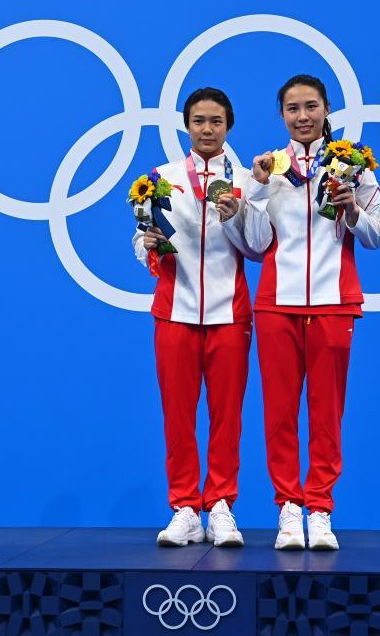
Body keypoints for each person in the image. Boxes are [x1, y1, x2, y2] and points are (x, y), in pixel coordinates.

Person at [245, 75, 380, 550]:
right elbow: (254, 242)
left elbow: (377, 235)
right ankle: (288, 509)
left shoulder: (353, 164)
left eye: (310, 106)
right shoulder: (267, 168)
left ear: (327, 109)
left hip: (333, 301)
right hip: (276, 304)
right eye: (292, 108)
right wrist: (260, 189)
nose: (302, 116)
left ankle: (320, 509)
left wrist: (351, 212)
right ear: (281, 115)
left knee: (327, 413)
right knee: (279, 413)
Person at [132, 87, 260, 547]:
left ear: (229, 126)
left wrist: (237, 215)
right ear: (187, 125)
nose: (208, 129)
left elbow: (258, 248)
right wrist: (143, 247)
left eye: (217, 121)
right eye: (200, 121)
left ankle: (221, 505)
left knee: (228, 416)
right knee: (178, 415)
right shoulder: (161, 178)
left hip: (230, 314)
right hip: (175, 311)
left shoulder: (247, 180)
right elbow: (143, 236)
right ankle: (185, 507)